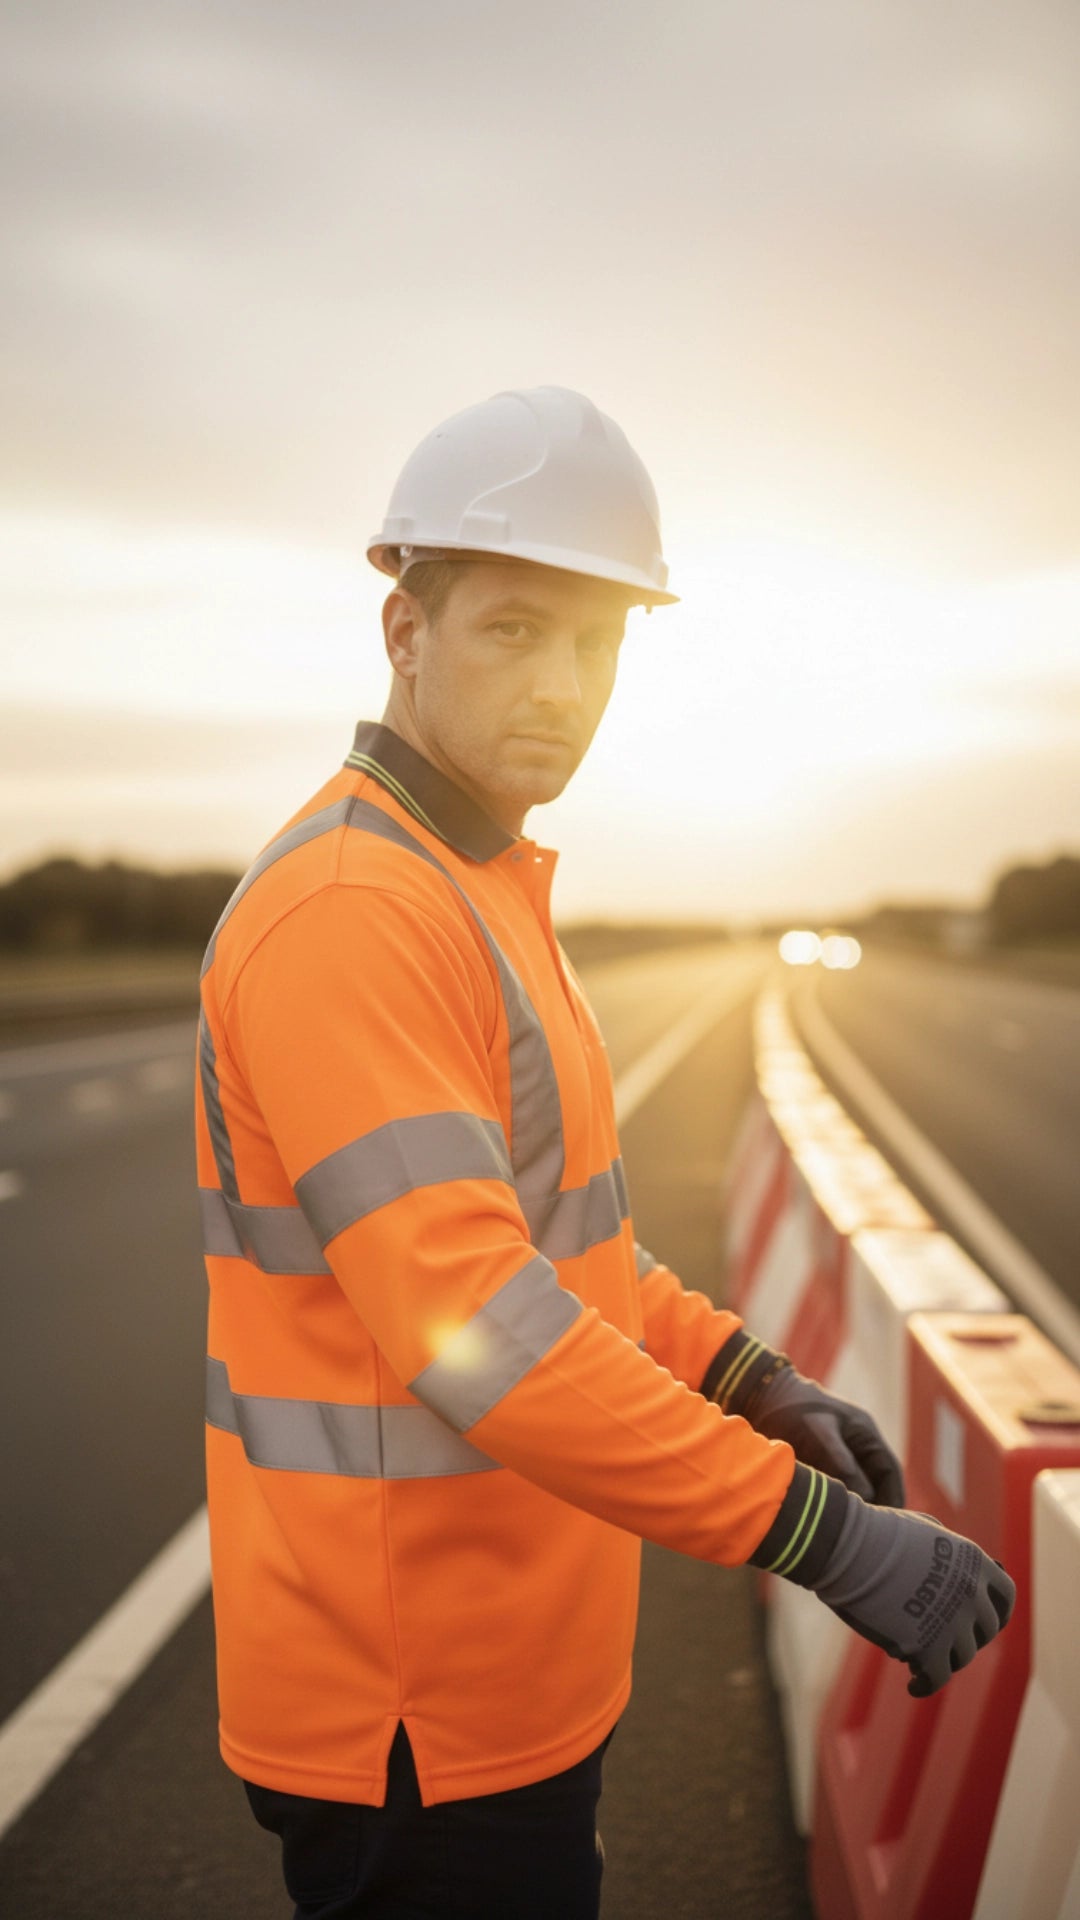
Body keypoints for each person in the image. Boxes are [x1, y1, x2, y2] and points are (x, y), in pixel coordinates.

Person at [195, 386, 1015, 1919]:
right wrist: (825, 1538)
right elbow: (482, 1333)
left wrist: (743, 1378)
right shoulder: (359, 911)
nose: (564, 686)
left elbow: (552, 1255)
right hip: (412, 1711)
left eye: (599, 642)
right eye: (515, 629)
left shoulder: (476, 880)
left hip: (500, 1673)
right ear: (404, 633)